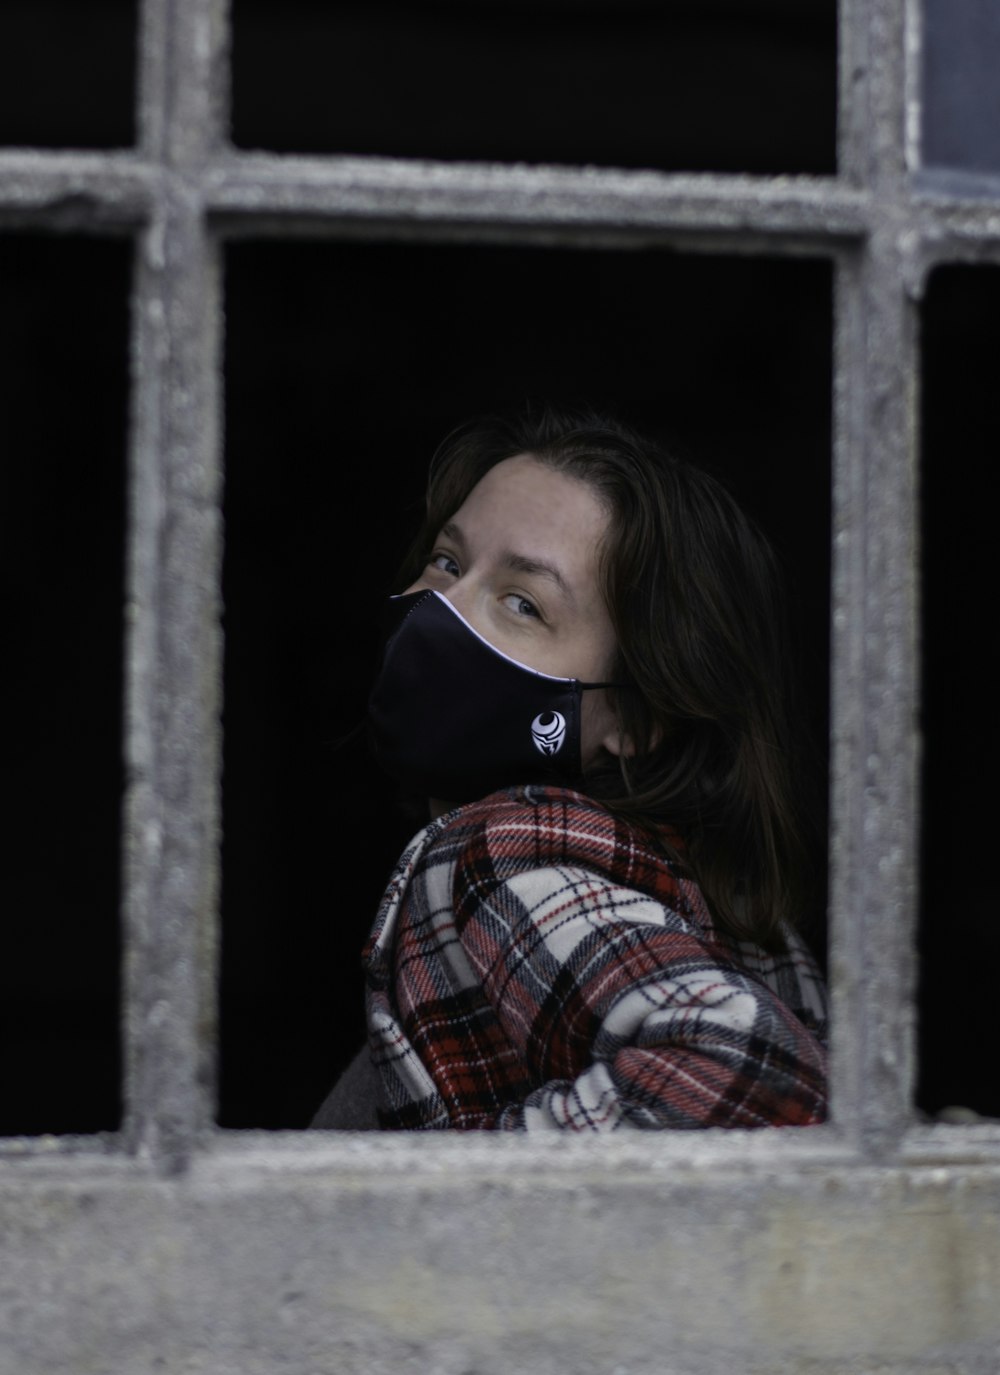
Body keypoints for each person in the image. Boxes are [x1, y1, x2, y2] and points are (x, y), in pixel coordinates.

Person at [313, 406, 828, 1131]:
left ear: (637, 720)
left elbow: (758, 1067)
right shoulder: (741, 910)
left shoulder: (493, 857)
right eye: (449, 561)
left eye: (523, 603)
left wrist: (467, 1197)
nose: (442, 606)